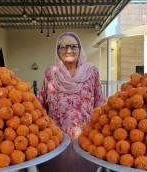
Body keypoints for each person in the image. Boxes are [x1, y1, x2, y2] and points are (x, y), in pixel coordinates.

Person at [37, 32, 105, 172]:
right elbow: (38, 107)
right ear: (57, 50)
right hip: (56, 142)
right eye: (64, 47)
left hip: (85, 141)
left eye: (74, 46)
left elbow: (100, 104)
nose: (69, 50)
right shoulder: (50, 74)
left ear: (80, 49)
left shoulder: (91, 72)